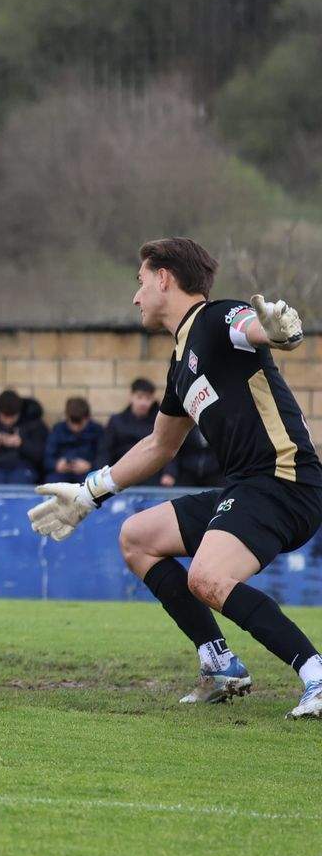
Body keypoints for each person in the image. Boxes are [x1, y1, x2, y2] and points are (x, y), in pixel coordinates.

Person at [30, 237, 322, 718]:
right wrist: (88, 493)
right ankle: (219, 662)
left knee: (207, 577)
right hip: (248, 487)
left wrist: (280, 332)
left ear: (164, 277)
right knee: (138, 537)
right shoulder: (180, 365)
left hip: (284, 482)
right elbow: (159, 446)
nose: (136, 295)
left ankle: (313, 672)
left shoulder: (216, 319)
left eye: (140, 281)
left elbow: (254, 328)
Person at [0, 389, 44, 485]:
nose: (9, 421)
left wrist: (21, 444)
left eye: (13, 416)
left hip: (23, 468)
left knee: (19, 479)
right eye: (5, 417)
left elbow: (41, 456)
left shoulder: (33, 425)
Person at [43, 396, 102, 485]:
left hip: (88, 474)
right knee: (51, 483)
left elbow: (104, 456)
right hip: (61, 474)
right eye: (73, 422)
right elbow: (47, 457)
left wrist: (90, 466)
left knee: (95, 484)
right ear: (67, 417)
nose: (76, 427)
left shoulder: (97, 431)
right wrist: (56, 464)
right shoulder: (58, 429)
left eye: (80, 423)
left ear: (88, 418)